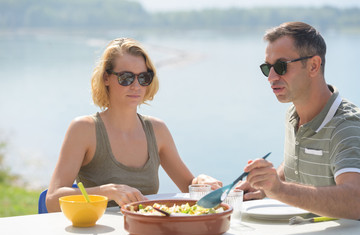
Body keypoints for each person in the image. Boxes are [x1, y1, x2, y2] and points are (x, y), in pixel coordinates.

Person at [46, 38, 222, 212]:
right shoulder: (84, 129)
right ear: (106, 78)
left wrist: (201, 181)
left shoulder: (157, 130)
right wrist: (107, 191)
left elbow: (189, 189)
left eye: (143, 77)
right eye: (126, 77)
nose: (136, 86)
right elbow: (53, 200)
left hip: (146, 231)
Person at [238, 22, 360, 219]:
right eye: (266, 68)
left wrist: (280, 190)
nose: (271, 77)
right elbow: (297, 162)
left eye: (281, 66)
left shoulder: (346, 126)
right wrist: (265, 186)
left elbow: (356, 200)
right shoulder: (293, 114)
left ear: (313, 65)